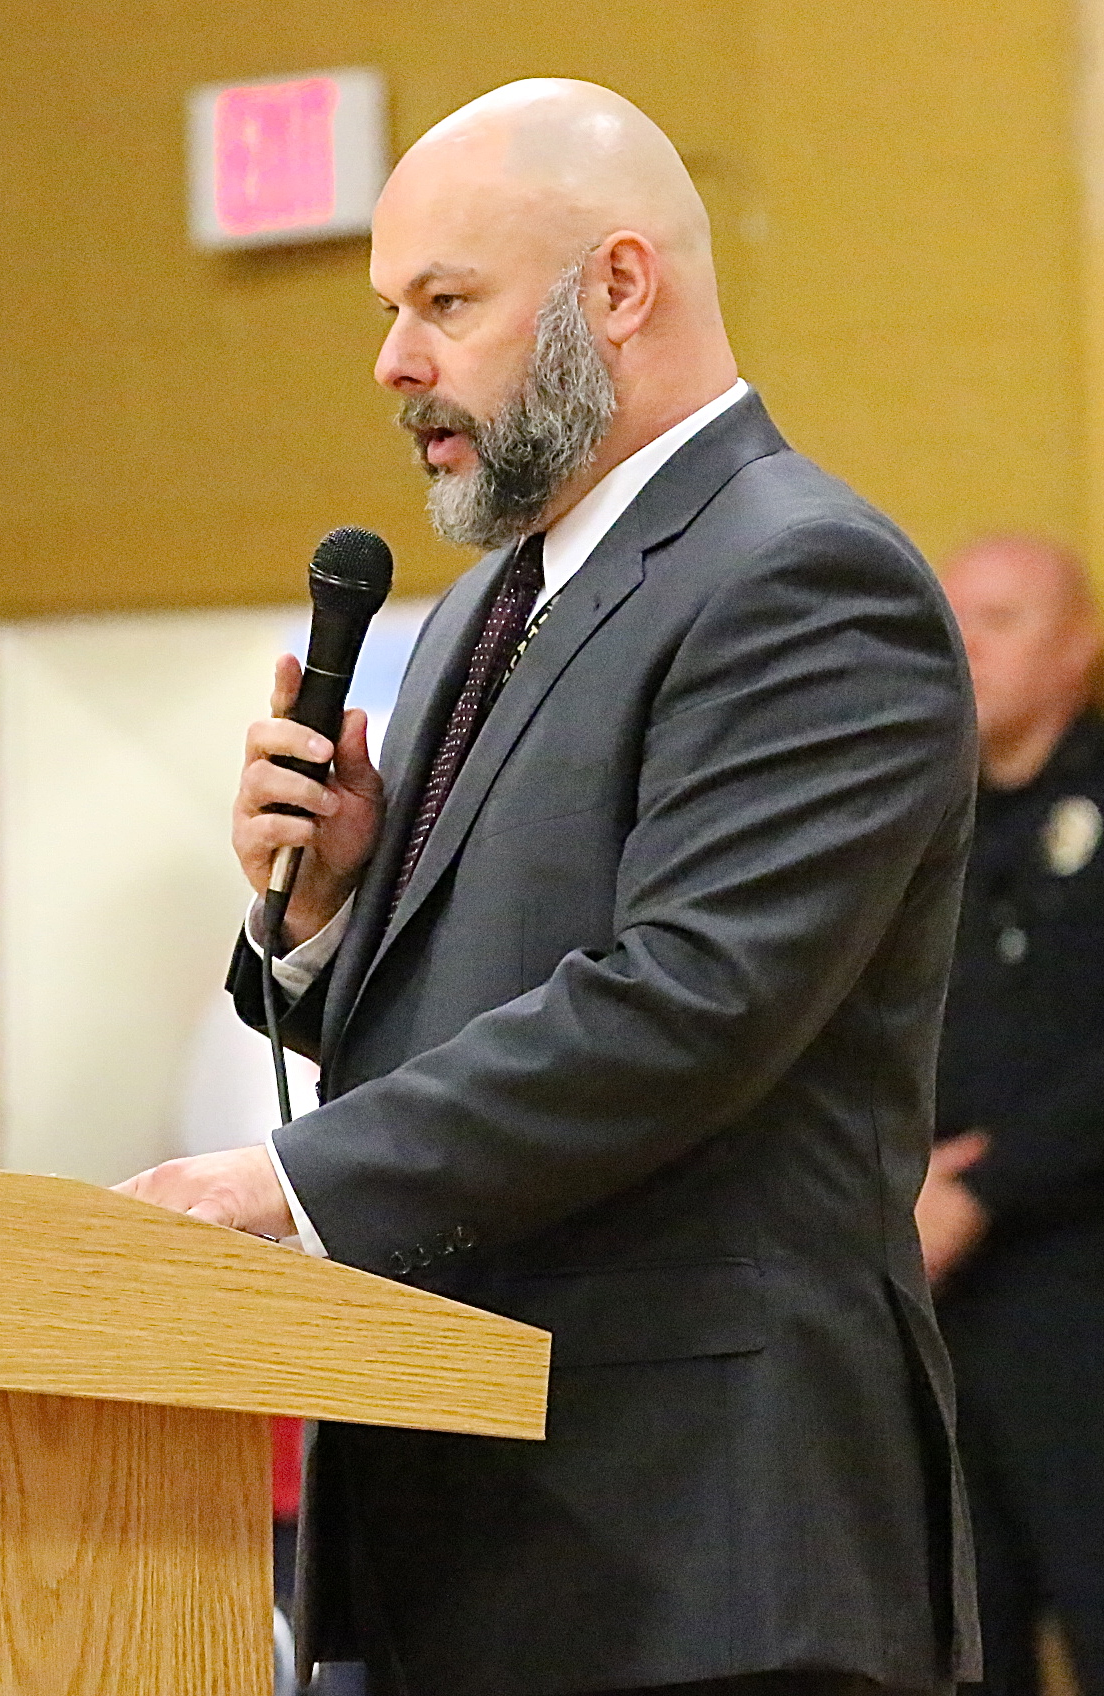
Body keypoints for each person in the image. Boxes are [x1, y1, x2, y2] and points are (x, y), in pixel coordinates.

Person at [119, 80, 980, 1696]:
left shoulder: (802, 578)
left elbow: (689, 1005)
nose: (394, 362)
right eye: (390, 308)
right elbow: (469, 1009)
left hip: (702, 1544)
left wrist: (281, 1184)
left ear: (619, 286)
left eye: (445, 304)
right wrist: (327, 913)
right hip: (467, 1521)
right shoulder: (483, 607)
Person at [921, 536, 1104, 1696]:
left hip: (1100, 1298)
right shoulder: (920, 830)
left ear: (1079, 649)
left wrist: (986, 1183)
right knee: (956, 1640)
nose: (965, 646)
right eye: (951, 620)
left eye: (999, 619)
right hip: (930, 1295)